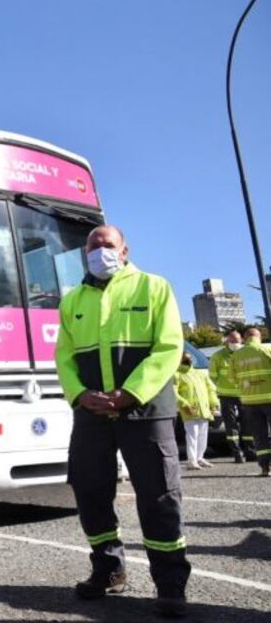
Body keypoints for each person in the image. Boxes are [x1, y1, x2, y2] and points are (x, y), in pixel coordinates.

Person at [54, 225, 190, 618]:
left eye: (107, 244)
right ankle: (108, 570)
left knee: (159, 495)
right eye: (92, 245)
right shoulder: (72, 301)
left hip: (145, 410)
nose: (99, 250)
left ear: (125, 250)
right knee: (90, 491)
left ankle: (170, 584)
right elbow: (63, 356)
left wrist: (131, 392)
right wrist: (79, 395)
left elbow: (168, 346)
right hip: (91, 413)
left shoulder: (154, 287)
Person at [228, 327, 271, 477]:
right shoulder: (266, 350)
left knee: (259, 436)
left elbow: (232, 378)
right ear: (258, 337)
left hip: (249, 401)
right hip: (269, 397)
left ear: (245, 338)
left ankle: (265, 468)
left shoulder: (236, 355)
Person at [208, 331, 251, 463]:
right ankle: (237, 453)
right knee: (231, 425)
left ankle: (251, 452)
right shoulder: (218, 356)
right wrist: (222, 387)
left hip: (244, 394)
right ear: (227, 342)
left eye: (237, 341)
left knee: (247, 424)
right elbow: (213, 376)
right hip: (226, 395)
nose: (235, 344)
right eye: (232, 341)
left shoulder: (246, 353)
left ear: (242, 341)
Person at [175, 351, 218, 470]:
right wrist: (184, 404)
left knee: (203, 434)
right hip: (190, 410)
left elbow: (211, 388)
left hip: (204, 409)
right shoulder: (177, 375)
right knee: (192, 435)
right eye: (185, 358)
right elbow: (173, 393)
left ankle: (200, 457)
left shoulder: (200, 374)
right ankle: (192, 460)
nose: (188, 360)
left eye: (189, 358)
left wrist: (213, 403)